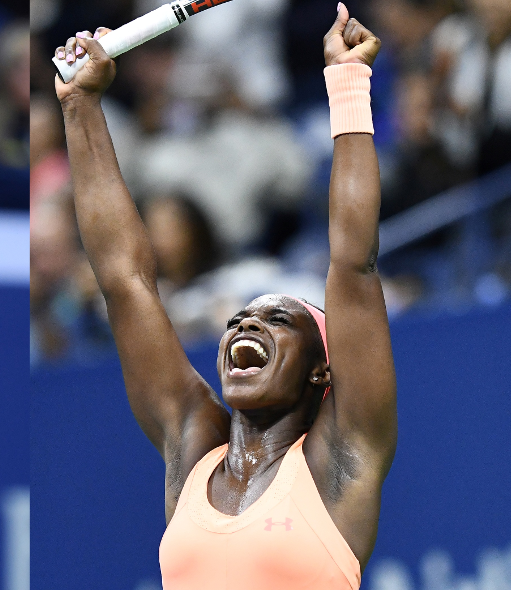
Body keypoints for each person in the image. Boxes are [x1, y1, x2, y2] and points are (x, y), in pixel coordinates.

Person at [54, 4, 396, 588]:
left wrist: (346, 83)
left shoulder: (340, 460)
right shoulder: (192, 448)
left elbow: (354, 264)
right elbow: (125, 282)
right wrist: (80, 105)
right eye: (238, 318)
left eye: (277, 319)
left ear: (322, 371)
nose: (245, 325)